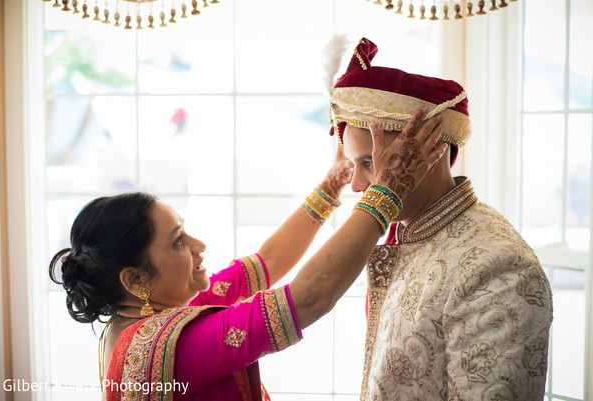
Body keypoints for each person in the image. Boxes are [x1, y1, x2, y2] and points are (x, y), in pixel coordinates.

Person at [49, 107, 448, 401]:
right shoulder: (165, 349)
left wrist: (332, 185)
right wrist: (387, 193)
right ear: (135, 279)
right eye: (177, 241)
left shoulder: (154, 313)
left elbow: (268, 263)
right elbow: (308, 298)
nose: (198, 246)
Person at [326, 37, 553, 401]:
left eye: (368, 162)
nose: (355, 185)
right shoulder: (405, 234)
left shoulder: (499, 268)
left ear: (430, 150)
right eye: (354, 164)